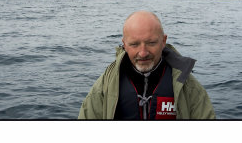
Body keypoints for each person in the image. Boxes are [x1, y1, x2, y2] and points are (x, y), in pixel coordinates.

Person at [78, 10, 216, 120]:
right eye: (134, 44)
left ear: (163, 41)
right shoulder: (105, 86)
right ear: (124, 44)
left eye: (151, 43)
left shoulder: (188, 88)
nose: (143, 53)